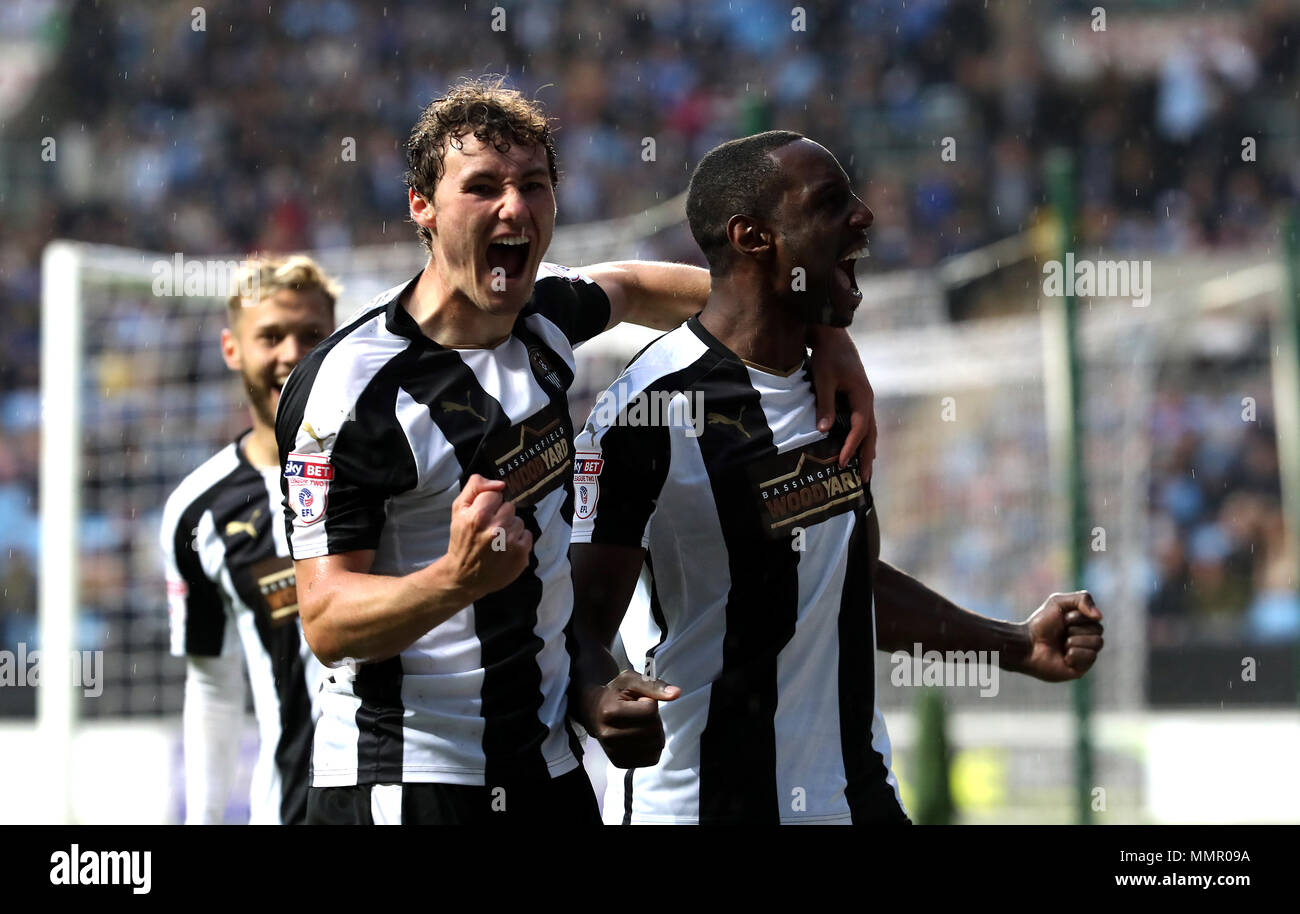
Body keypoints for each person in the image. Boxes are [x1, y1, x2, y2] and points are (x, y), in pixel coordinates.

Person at [275, 78, 877, 825]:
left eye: (533, 185)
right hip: (408, 777)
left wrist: (822, 330)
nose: (514, 208)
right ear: (421, 206)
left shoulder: (543, 317)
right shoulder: (350, 388)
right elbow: (326, 619)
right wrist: (452, 580)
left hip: (550, 767)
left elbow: (636, 285)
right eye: (482, 187)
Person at [568, 131, 1106, 824]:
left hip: (856, 796)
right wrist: (602, 697)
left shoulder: (836, 392)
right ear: (753, 238)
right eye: (829, 203)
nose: (864, 215)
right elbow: (580, 626)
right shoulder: (646, 413)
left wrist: (1017, 644)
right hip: (703, 804)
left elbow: (849, 584)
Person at [161, 255, 339, 824]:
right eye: (271, 336)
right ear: (232, 348)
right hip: (290, 812)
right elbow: (213, 687)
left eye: (311, 334)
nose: (292, 353)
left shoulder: (399, 463)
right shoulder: (200, 513)